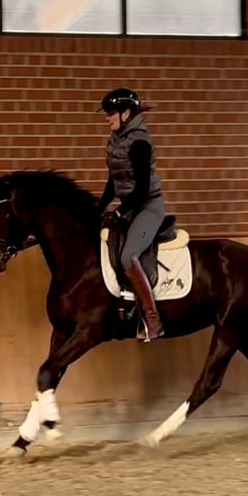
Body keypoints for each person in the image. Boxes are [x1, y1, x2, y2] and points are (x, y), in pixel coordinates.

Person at [96, 87, 165, 342]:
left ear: (126, 113)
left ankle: (153, 319)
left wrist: (119, 211)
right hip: (130, 206)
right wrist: (99, 210)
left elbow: (143, 189)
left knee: (127, 257)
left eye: (111, 113)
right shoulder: (117, 140)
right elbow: (114, 182)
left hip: (148, 206)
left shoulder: (139, 142)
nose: (107, 118)